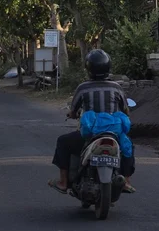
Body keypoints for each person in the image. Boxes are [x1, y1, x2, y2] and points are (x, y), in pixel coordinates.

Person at [49, 49, 135, 195]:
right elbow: (125, 110)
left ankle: (63, 182)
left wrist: (72, 114)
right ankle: (126, 181)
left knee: (62, 142)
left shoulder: (83, 88)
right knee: (129, 147)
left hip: (90, 134)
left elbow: (74, 111)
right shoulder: (116, 87)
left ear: (88, 69)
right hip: (114, 134)